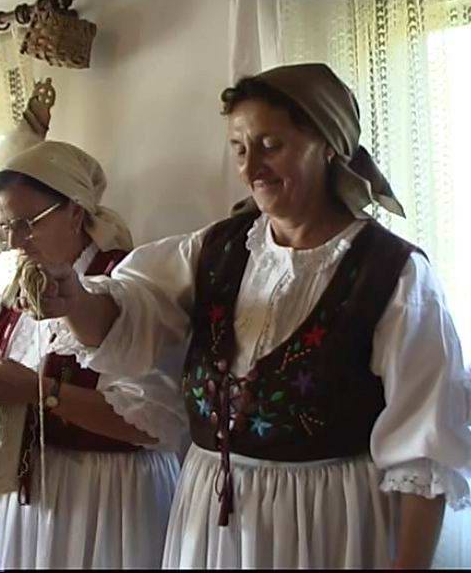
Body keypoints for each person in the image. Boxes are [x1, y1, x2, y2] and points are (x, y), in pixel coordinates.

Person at [33, 63, 471, 568]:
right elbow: (131, 319)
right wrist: (74, 299)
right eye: (240, 149)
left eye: (271, 145)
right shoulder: (215, 249)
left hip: (327, 522)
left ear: (328, 145)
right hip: (211, 512)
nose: (251, 168)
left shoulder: (392, 273)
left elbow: (426, 447)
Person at [0, 140, 187, 569]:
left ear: (75, 212)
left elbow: (155, 424)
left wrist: (40, 392)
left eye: (27, 223)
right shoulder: (16, 289)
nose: (14, 241)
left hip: (109, 494)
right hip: (30, 495)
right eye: (3, 227)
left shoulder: (127, 286)